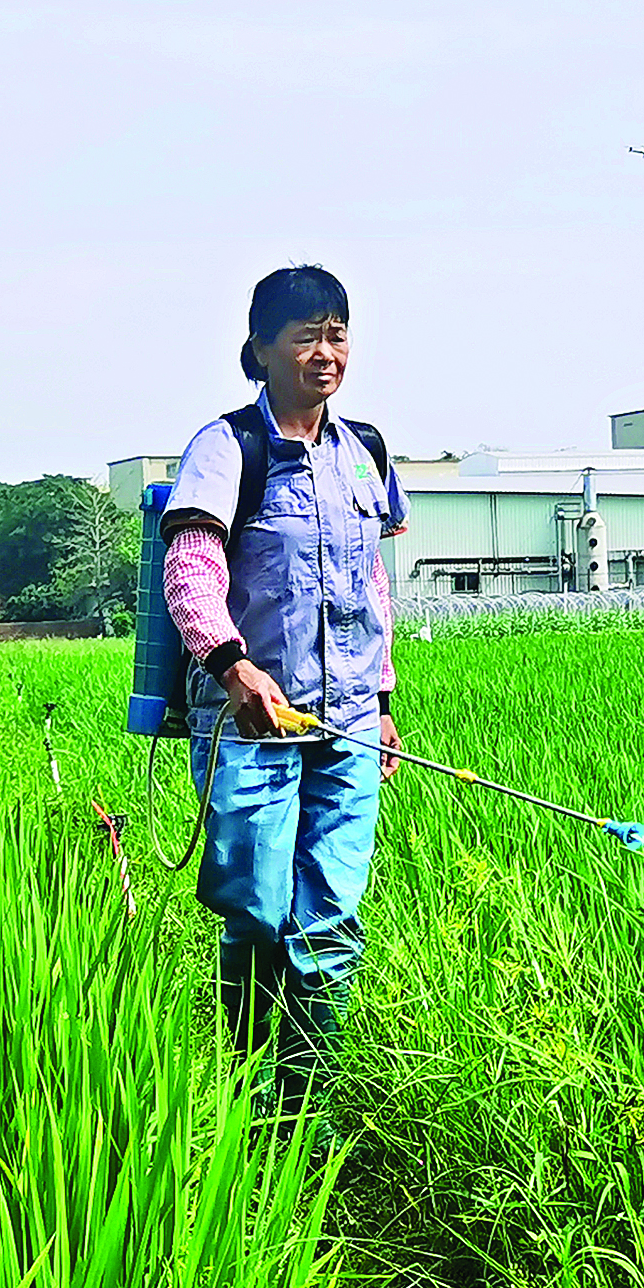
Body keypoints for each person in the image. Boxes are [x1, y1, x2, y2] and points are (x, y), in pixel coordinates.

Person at [159, 263, 408, 1120]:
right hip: (254, 728)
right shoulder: (228, 448)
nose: (324, 351)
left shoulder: (362, 452)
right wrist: (233, 667)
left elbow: (366, 581)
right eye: (304, 334)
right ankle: (250, 1100)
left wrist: (378, 700)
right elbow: (190, 567)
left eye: (336, 332)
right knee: (257, 921)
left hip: (345, 731)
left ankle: (309, 1106)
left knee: (329, 926)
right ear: (259, 350)